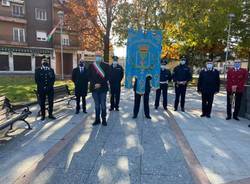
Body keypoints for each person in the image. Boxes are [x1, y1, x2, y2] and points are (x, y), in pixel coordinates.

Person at [88, 55, 110, 126]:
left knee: (103, 105)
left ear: (101, 58)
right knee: (97, 105)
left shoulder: (106, 66)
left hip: (103, 88)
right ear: (95, 58)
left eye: (99, 56)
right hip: (94, 88)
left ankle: (103, 119)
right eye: (97, 56)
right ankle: (97, 120)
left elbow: (107, 77)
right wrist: (95, 84)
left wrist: (100, 84)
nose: (98, 58)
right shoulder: (91, 66)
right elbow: (89, 76)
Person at [35, 56, 56, 121]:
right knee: (42, 103)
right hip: (41, 89)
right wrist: (43, 87)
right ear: (41, 62)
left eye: (46, 61)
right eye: (44, 61)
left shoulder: (51, 70)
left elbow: (53, 79)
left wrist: (49, 87)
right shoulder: (38, 70)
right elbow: (37, 80)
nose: (45, 62)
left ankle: (50, 114)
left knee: (50, 102)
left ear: (48, 63)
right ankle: (43, 115)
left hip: (50, 89)